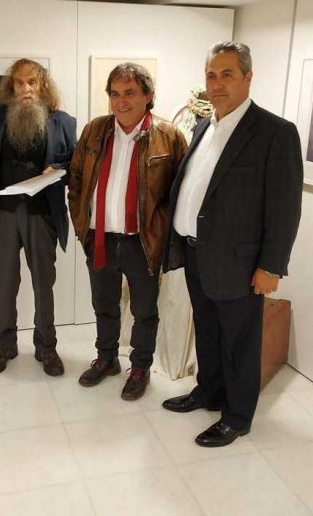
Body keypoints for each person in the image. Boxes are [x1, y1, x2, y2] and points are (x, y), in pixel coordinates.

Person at [162, 41, 303, 447]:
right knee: (207, 332)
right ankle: (209, 391)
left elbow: (285, 208)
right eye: (211, 75)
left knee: (240, 343)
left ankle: (238, 417)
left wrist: (271, 266)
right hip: (196, 253)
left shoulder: (275, 133)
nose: (217, 83)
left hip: (240, 264)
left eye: (227, 74)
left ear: (248, 77)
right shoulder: (205, 126)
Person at [68, 63, 187, 401]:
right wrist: (82, 228)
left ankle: (140, 367)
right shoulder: (95, 130)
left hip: (142, 242)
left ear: (148, 96)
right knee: (103, 305)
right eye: (115, 94)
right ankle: (106, 359)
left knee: (144, 311)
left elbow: (179, 193)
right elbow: (76, 181)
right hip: (100, 239)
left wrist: (163, 234)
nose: (121, 101)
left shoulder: (169, 136)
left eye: (130, 93)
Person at [0, 59, 76, 376]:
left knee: (43, 284)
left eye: (32, 82)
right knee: (5, 284)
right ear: (11, 87)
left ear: (42, 86)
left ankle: (46, 347)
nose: (26, 89)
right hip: (3, 214)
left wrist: (59, 168)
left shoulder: (63, 122)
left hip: (42, 215)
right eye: (19, 82)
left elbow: (74, 164)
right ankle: (4, 345)